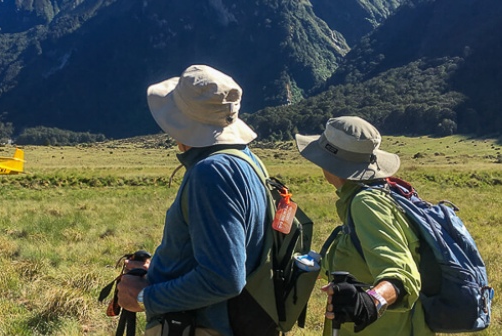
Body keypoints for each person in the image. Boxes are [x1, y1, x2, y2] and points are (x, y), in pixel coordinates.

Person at [116, 64, 270, 336]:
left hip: (201, 328)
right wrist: (163, 269)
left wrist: (144, 298)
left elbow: (224, 278)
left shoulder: (210, 174)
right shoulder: (248, 161)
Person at [294, 116, 433, 336]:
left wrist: (369, 302)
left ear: (332, 165)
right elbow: (362, 256)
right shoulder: (378, 193)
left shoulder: (365, 205)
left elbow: (401, 275)